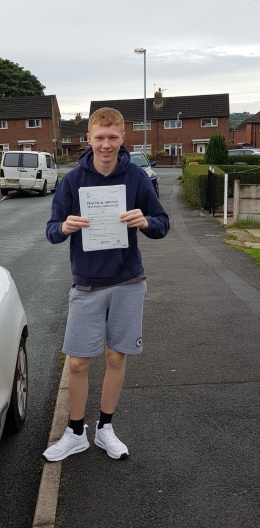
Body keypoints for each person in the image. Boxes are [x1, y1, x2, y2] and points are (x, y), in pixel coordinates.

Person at [43, 107, 169, 462]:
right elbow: (51, 230)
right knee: (78, 363)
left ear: (123, 137)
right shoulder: (72, 180)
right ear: (89, 138)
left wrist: (145, 221)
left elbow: (162, 224)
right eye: (99, 137)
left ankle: (106, 428)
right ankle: (75, 432)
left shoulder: (136, 178)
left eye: (113, 137)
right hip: (86, 284)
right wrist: (64, 228)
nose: (106, 144)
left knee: (116, 356)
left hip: (128, 281)